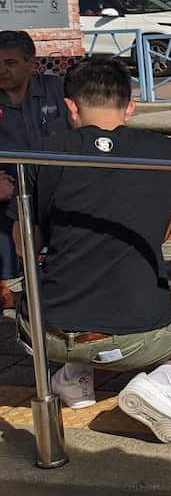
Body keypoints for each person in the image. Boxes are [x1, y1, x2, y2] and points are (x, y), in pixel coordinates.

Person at [10, 56, 171, 443]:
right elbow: (164, 229)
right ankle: (157, 384)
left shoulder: (42, 153)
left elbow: (25, 248)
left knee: (71, 296)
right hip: (135, 339)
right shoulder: (165, 151)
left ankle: (73, 377)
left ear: (71, 106)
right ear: (130, 106)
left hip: (44, 331)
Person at [0, 30, 71, 310]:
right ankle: (5, 281)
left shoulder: (59, 89)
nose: (2, 70)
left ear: (31, 62)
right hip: (9, 184)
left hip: (57, 180)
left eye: (10, 63)